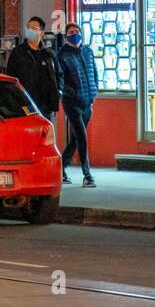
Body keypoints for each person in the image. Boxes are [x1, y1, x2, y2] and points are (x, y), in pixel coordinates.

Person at [57, 22, 98, 187]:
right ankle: (87, 175)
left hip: (87, 102)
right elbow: (60, 78)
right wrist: (70, 93)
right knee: (81, 136)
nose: (75, 34)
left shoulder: (88, 51)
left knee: (75, 139)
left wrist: (94, 91)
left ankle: (60, 167)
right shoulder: (62, 54)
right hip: (72, 102)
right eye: (71, 32)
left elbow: (94, 72)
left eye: (77, 31)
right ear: (67, 36)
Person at [7, 16, 61, 126]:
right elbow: (11, 78)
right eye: (28, 27)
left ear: (41, 33)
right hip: (26, 105)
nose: (29, 30)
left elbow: (59, 75)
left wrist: (58, 92)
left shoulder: (49, 54)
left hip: (45, 106)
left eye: (33, 28)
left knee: (44, 136)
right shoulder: (18, 53)